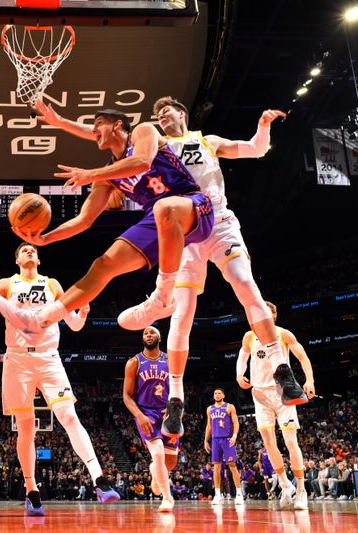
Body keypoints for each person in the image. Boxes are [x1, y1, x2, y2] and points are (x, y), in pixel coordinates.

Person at [0, 101, 215, 439]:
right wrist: (44, 239)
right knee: (103, 265)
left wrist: (88, 169)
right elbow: (83, 221)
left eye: (98, 124)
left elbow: (141, 161)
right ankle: (43, 318)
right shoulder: (109, 176)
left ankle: (163, 294)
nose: (93, 130)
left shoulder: (143, 132)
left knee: (166, 208)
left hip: (193, 206)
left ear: (117, 125)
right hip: (156, 218)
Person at [117, 96, 306, 437]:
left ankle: (281, 369)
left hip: (217, 221)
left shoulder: (208, 140)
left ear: (182, 113)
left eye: (167, 109)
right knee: (183, 311)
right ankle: (176, 397)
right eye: (157, 113)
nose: (161, 115)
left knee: (244, 283)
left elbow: (254, 149)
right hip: (186, 230)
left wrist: (263, 126)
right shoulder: (156, 147)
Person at [0, 242, 120, 516]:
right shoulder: (6, 283)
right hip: (17, 359)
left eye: (33, 249)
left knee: (69, 417)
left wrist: (82, 313)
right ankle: (32, 490)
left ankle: (100, 480)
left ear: (39, 258)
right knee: (26, 428)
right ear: (16, 260)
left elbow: (73, 325)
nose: (29, 251)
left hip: (49, 358)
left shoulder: (53, 284)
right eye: (24, 249)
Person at [236, 301, 315, 510]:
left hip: (282, 394)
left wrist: (309, 380)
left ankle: (301, 489)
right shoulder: (249, 336)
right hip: (260, 395)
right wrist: (239, 373)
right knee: (269, 443)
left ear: (274, 315)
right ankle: (284, 483)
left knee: (290, 441)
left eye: (266, 312)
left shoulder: (283, 334)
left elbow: (302, 356)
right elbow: (242, 355)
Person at [122, 326, 177, 512]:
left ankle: (156, 473)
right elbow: (127, 396)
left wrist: (176, 410)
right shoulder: (134, 362)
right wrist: (139, 415)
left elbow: (179, 387)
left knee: (169, 463)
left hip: (168, 412)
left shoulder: (171, 359)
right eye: (145, 333)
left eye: (152, 332)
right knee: (158, 453)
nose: (148, 335)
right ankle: (168, 498)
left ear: (159, 337)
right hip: (147, 413)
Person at [204, 388, 243, 506]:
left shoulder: (229, 407)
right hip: (215, 440)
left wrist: (235, 436)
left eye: (219, 393)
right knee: (216, 468)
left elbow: (236, 422)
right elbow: (209, 426)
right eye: (215, 393)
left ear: (224, 395)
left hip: (227, 439)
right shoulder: (210, 409)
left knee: (232, 466)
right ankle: (217, 495)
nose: (217, 395)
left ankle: (239, 494)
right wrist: (206, 440)